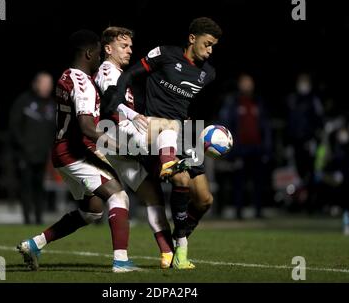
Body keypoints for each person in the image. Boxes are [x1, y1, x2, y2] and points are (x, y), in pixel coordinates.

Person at [103, 17, 223, 269]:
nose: (210, 50)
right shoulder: (164, 55)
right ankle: (181, 250)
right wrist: (114, 102)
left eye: (214, 46)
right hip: (157, 132)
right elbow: (131, 74)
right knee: (180, 179)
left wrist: (203, 132)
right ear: (193, 38)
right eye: (208, 44)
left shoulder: (208, 73)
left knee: (204, 200)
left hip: (185, 132)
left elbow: (195, 104)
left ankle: (178, 238)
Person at [17, 29, 140, 273]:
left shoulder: (66, 75)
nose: (99, 59)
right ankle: (121, 261)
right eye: (96, 54)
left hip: (63, 153)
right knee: (119, 196)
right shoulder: (82, 81)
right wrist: (119, 146)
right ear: (88, 53)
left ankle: (35, 244)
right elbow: (86, 126)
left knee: (92, 210)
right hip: (75, 152)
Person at [94, 26, 174, 269]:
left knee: (152, 195)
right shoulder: (107, 69)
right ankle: (170, 162)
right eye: (123, 46)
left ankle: (166, 253)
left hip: (118, 145)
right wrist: (132, 113)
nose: (130, 50)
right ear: (108, 49)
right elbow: (109, 98)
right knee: (169, 127)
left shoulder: (121, 74)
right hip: (117, 133)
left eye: (130, 46)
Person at [218, 73, 272, 219]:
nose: (247, 85)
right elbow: (227, 125)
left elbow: (265, 127)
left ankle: (258, 212)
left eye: (249, 82)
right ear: (239, 85)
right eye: (244, 82)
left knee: (258, 183)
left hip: (257, 149)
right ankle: (238, 213)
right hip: (239, 150)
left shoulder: (258, 103)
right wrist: (229, 149)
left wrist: (266, 148)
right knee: (239, 183)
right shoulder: (233, 103)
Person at [9, 72, 56, 225]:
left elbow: (55, 130)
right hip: (25, 154)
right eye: (44, 83)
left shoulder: (52, 105)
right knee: (26, 186)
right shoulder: (24, 101)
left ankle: (38, 218)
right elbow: (14, 126)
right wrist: (23, 145)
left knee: (39, 187)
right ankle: (27, 219)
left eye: (49, 84)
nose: (47, 87)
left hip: (43, 154)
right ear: (36, 84)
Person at [285, 73, 324, 211]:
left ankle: (312, 204)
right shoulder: (293, 100)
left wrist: (315, 138)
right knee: (299, 172)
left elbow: (319, 121)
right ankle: (299, 203)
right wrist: (288, 142)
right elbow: (289, 122)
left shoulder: (314, 100)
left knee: (311, 173)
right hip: (296, 142)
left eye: (305, 82)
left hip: (310, 142)